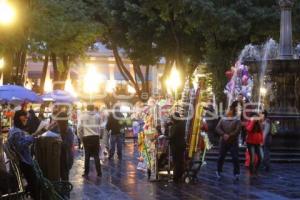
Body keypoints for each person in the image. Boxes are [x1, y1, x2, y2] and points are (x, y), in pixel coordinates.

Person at [8, 110, 39, 199]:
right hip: (23, 161)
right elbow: (20, 146)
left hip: (20, 160)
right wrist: (31, 138)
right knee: (33, 182)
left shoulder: (13, 129)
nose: (26, 118)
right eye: (24, 116)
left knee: (28, 181)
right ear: (19, 118)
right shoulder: (17, 131)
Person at [215, 103, 241, 180]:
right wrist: (224, 134)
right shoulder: (223, 119)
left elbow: (238, 129)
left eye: (229, 110)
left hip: (233, 141)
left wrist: (229, 135)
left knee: (235, 158)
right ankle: (219, 171)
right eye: (227, 110)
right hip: (223, 141)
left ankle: (236, 173)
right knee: (221, 157)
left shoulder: (237, 119)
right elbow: (217, 128)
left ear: (232, 111)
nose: (227, 111)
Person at [78, 104, 102, 178]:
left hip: (86, 137)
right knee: (96, 155)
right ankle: (99, 173)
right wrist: (99, 136)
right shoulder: (98, 116)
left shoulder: (82, 116)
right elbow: (101, 127)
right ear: (93, 108)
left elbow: (79, 128)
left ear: (86, 108)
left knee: (87, 155)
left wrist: (81, 138)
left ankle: (86, 173)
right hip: (95, 137)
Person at [55, 112, 74, 181]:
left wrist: (60, 142)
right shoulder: (55, 129)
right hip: (57, 157)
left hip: (65, 157)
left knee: (64, 177)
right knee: (57, 177)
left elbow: (68, 145)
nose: (56, 121)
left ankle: (65, 191)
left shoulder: (68, 130)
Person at [169, 112, 186, 183]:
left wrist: (167, 137)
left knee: (176, 161)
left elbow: (172, 136)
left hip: (176, 145)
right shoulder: (182, 124)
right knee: (180, 160)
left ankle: (175, 177)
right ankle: (179, 175)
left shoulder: (176, 126)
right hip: (181, 145)